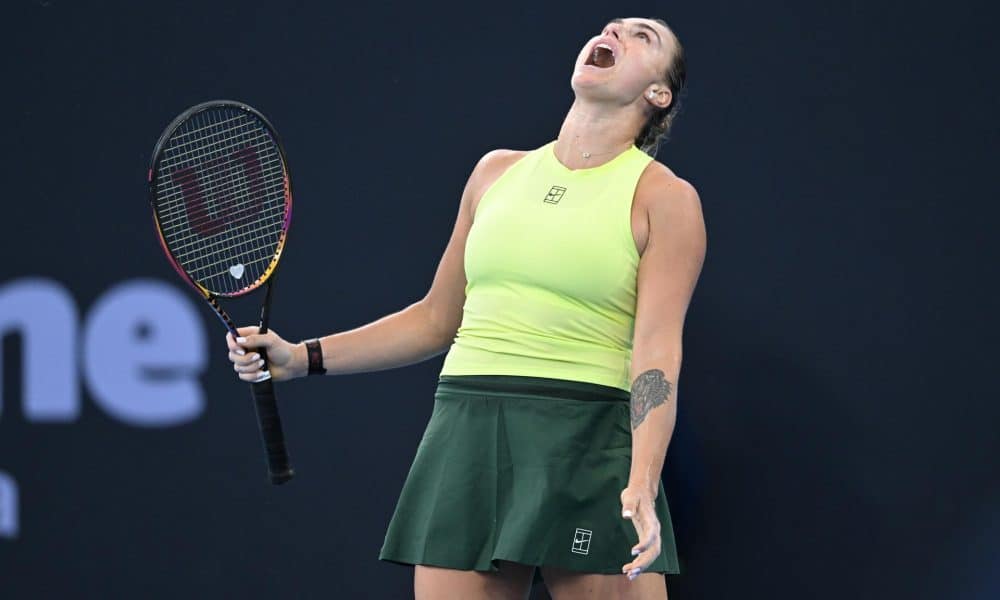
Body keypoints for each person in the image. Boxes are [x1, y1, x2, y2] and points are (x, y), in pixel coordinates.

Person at [226, 16, 705, 600]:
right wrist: (303, 357)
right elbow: (436, 318)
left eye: (642, 36)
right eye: (612, 25)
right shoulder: (495, 173)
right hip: (469, 429)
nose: (614, 31)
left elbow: (656, 351)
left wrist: (643, 478)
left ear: (659, 94)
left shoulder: (666, 199)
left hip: (588, 434)